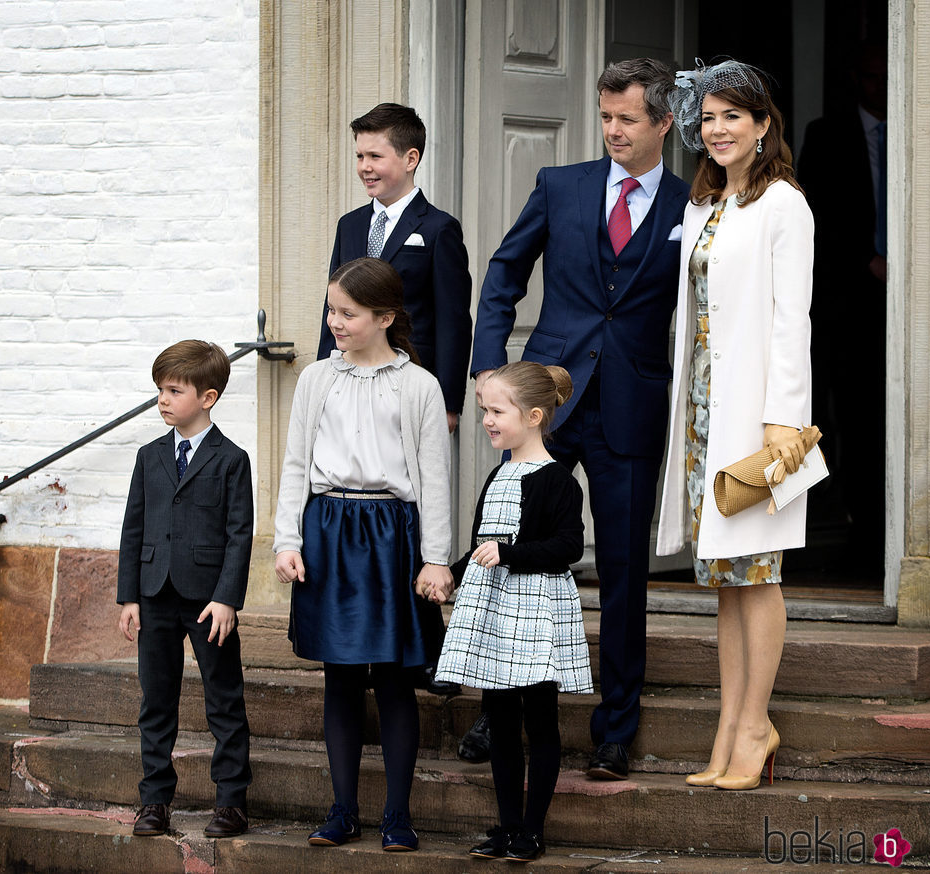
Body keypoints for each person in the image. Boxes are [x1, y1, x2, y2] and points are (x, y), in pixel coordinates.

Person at [468, 58, 690, 780]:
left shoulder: (693, 209)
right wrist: (488, 367)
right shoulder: (560, 186)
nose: (613, 130)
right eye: (605, 117)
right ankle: (492, 707)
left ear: (662, 122)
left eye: (628, 118)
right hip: (548, 401)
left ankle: (614, 727)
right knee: (513, 551)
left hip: (631, 405)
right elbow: (505, 270)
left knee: (625, 570)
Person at [656, 60, 814, 790]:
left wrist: (782, 423)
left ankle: (756, 725)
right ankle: (730, 725)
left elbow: (792, 322)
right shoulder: (705, 205)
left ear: (762, 125)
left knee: (760, 572)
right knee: (725, 578)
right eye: (708, 118)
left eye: (732, 117)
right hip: (703, 416)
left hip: (756, 419)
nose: (717, 130)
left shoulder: (785, 204)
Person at [274, 257, 453, 852]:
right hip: (328, 531)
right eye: (331, 311)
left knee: (398, 681)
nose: (334, 323)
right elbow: (296, 464)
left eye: (347, 314)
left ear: (385, 317)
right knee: (341, 679)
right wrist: (287, 540)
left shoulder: (419, 385)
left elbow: (434, 478)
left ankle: (398, 816)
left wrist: (435, 558)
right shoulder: (316, 380)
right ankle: (343, 809)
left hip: (392, 534)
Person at [430, 362, 590, 862]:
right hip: (497, 614)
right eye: (485, 411)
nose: (488, 421)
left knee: (539, 720)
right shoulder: (498, 473)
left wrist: (511, 552)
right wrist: (450, 572)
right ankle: (506, 824)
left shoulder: (558, 481)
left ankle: (533, 830)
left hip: (536, 612)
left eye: (497, 411)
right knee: (499, 721)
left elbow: (567, 547)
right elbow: (485, 543)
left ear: (534, 415)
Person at [117, 340, 254, 839]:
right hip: (154, 594)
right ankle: (154, 801)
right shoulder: (148, 456)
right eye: (160, 390)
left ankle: (232, 803)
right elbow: (133, 528)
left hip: (207, 600)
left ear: (208, 397)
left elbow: (240, 532)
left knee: (223, 700)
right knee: (157, 700)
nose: (163, 400)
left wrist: (227, 598)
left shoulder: (231, 459)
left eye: (174, 390)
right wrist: (128, 596)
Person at [317, 102, 472, 433]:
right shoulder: (350, 225)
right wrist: (323, 380)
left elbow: (452, 321)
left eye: (375, 157)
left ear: (410, 159)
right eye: (360, 156)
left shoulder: (439, 229)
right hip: (348, 377)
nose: (365, 167)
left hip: (410, 381)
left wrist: (448, 402)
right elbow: (332, 308)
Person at [798, 42, 886, 569]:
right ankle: (812, 535)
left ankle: (872, 536)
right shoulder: (826, 135)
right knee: (824, 417)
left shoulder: (916, 131)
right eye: (870, 77)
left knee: (872, 420)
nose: (879, 87)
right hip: (837, 304)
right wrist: (866, 261)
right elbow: (815, 218)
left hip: (895, 306)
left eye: (885, 77)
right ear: (856, 79)